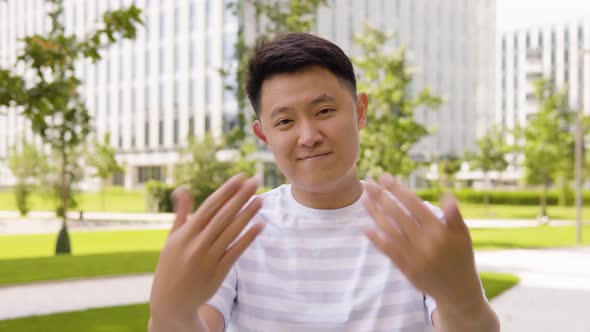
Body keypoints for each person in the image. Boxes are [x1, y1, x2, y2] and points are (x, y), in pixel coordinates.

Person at [148, 32, 500, 332]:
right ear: (263, 134)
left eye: (325, 112)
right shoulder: (238, 231)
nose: (308, 136)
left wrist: (463, 297)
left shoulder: (421, 230)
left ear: (359, 111)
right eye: (285, 121)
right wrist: (170, 312)